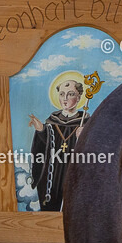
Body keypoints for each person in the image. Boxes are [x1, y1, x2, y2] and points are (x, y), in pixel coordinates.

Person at [29, 75, 89, 211]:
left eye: (71, 94)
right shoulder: (52, 120)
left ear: (79, 97)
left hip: (73, 172)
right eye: (62, 94)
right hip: (53, 172)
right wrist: (41, 130)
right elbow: (45, 145)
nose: (65, 98)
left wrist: (85, 137)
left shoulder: (86, 122)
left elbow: (97, 152)